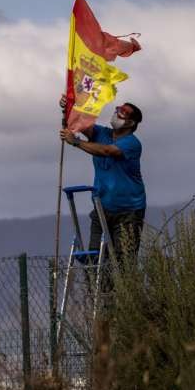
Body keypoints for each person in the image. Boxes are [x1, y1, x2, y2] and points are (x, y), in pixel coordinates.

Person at [58, 95, 146, 268]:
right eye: (118, 109)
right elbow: (79, 122)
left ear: (131, 123)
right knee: (96, 259)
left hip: (128, 212)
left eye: (124, 113)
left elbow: (107, 151)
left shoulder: (132, 143)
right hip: (102, 209)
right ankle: (99, 293)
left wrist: (76, 142)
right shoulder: (101, 133)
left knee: (124, 262)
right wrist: (67, 106)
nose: (118, 113)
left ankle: (124, 293)